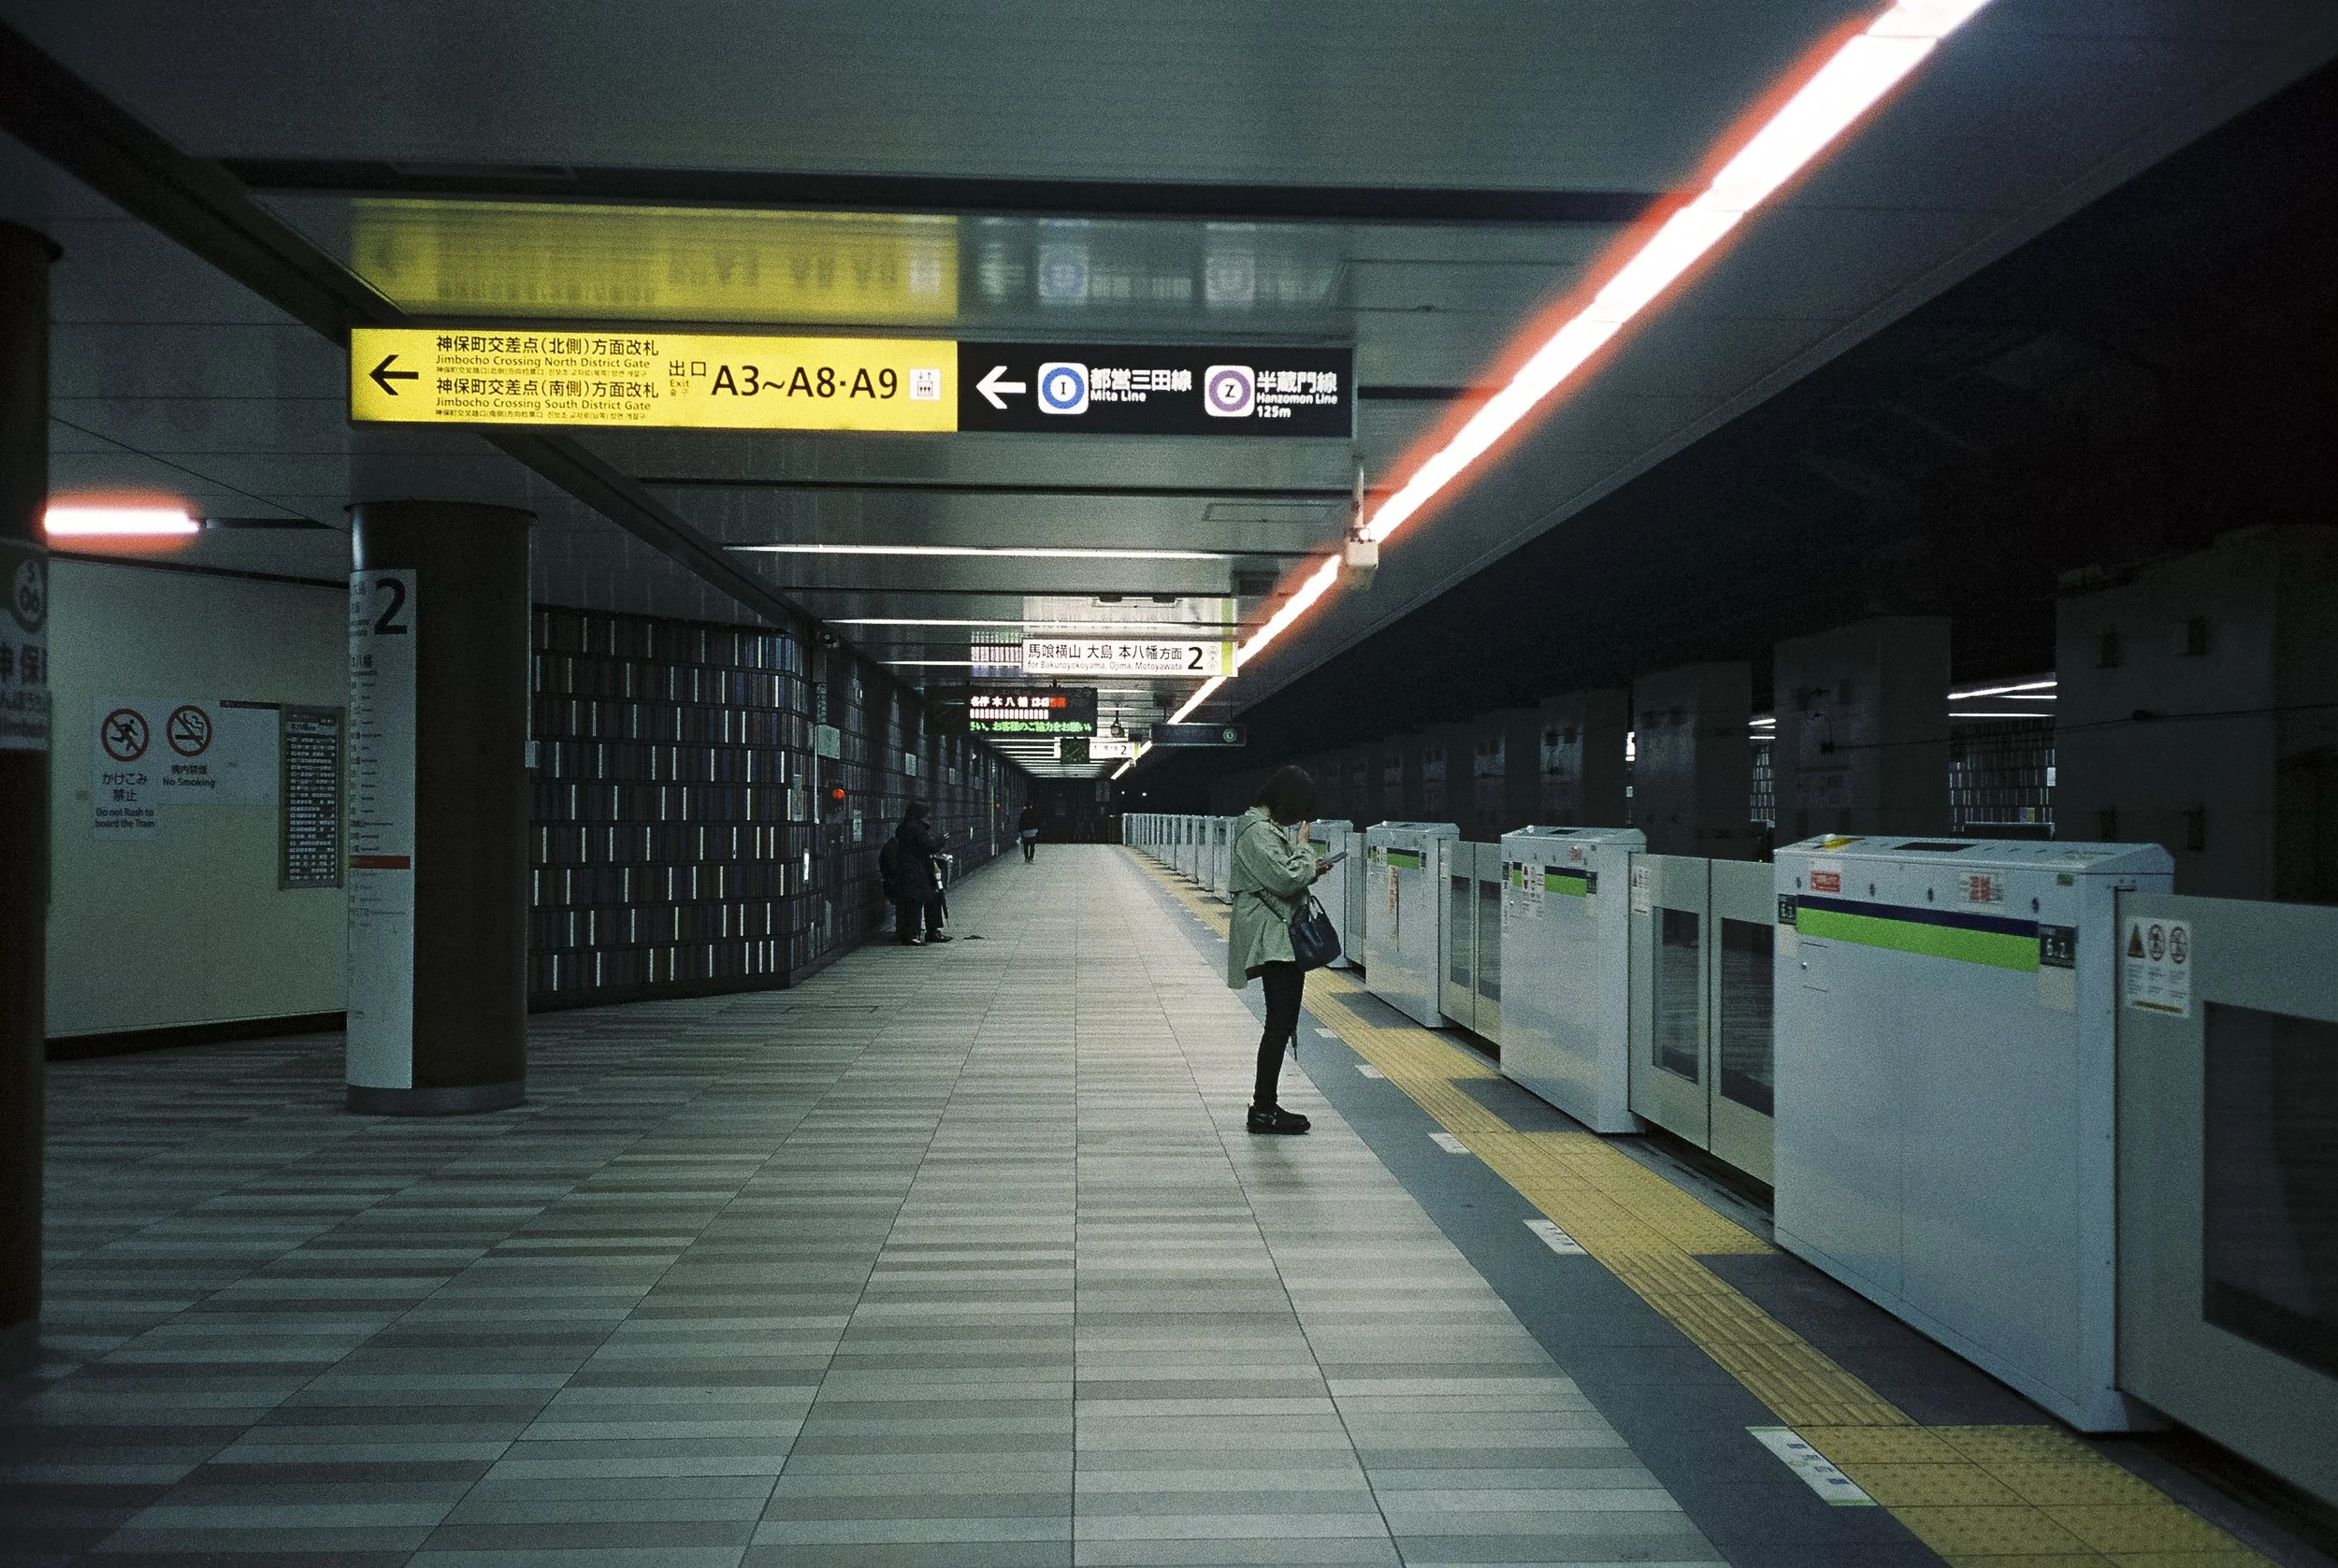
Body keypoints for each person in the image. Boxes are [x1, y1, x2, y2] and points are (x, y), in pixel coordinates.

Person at [1226, 766, 1333, 1134]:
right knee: (1279, 1023)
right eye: (1297, 811)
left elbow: (1282, 874)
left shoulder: (1261, 830)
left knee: (1281, 1022)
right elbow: (1285, 880)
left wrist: (1310, 869)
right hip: (1274, 940)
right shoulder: (1256, 832)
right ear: (1283, 802)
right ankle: (1264, 1109)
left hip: (1278, 938)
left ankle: (1266, 1106)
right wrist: (1305, 851)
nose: (1296, 820)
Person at [886, 802, 951, 945]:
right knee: (917, 900)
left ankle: (913, 933)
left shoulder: (903, 827)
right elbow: (929, 846)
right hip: (915, 870)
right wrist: (942, 840)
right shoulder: (916, 829)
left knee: (919, 899)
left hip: (907, 869)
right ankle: (914, 935)